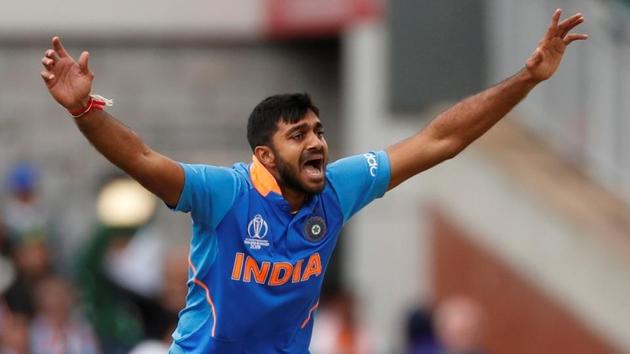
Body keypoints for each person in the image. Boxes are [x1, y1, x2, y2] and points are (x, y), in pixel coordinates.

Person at [39, 9, 587, 354]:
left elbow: (438, 140)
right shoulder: (224, 192)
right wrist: (84, 108)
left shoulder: (339, 187)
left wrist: (528, 78)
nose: (318, 143)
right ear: (264, 154)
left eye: (319, 131)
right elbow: (139, 158)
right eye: (298, 135)